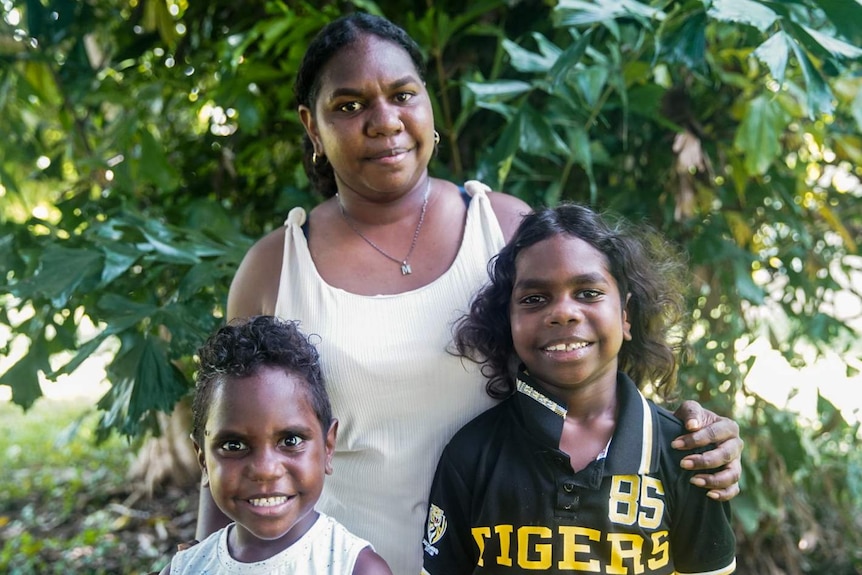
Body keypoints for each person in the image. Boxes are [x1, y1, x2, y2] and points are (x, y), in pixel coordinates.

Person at [201, 12, 744, 575]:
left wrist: (697, 441)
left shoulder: (504, 228)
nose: (384, 121)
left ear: (429, 106)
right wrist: (202, 564)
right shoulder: (274, 269)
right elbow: (228, 444)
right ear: (311, 127)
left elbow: (596, 373)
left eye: (402, 94)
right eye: (349, 105)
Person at [421, 203, 737, 574]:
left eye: (588, 292)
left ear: (626, 316)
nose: (564, 313)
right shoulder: (471, 454)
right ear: (508, 322)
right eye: (534, 299)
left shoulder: (685, 455)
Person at [160, 316, 391, 574]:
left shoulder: (356, 569)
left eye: (290, 441)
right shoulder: (186, 568)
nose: (265, 470)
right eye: (234, 446)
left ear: (327, 447)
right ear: (203, 460)